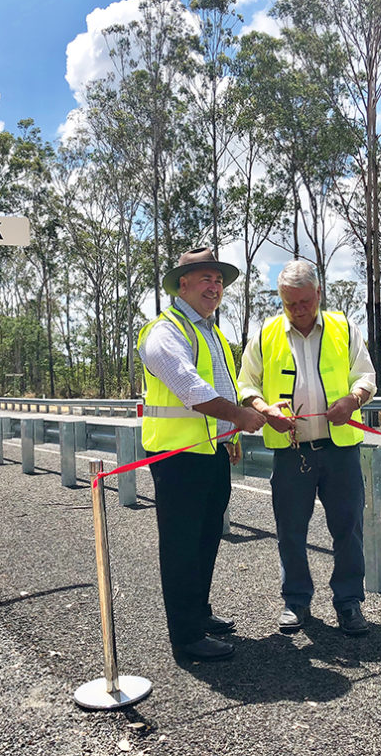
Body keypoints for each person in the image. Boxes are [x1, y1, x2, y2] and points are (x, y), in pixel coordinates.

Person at [137, 246, 267, 662]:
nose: (215, 286)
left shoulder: (211, 332)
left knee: (207, 538)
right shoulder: (165, 331)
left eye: (219, 280)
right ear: (183, 284)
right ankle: (186, 636)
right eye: (206, 278)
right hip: (177, 458)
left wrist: (230, 435)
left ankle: (199, 613)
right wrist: (239, 417)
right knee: (182, 545)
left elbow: (222, 388)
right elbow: (190, 388)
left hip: (209, 454)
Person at [238, 260, 377, 636]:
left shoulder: (343, 328)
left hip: (339, 449)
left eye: (304, 301)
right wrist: (264, 409)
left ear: (319, 293)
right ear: (281, 299)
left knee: (348, 529)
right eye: (289, 303)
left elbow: (367, 375)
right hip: (290, 450)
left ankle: (349, 603)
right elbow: (245, 384)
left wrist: (353, 399)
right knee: (291, 531)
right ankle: (296, 602)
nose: (298, 309)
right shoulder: (266, 333)